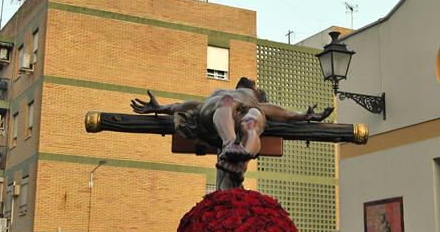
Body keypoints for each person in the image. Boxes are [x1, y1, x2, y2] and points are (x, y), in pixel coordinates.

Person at [131, 77, 332, 183]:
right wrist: (161, 108)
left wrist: (307, 116)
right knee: (229, 105)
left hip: (232, 111)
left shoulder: (256, 103)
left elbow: (285, 113)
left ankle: (238, 156)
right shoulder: (229, 95)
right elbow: (185, 105)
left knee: (251, 122)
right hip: (217, 111)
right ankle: (231, 147)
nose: (253, 85)